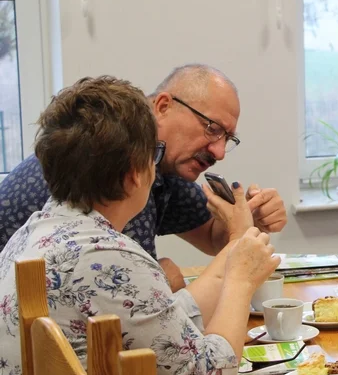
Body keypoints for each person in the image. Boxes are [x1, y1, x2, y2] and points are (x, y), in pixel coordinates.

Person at [0, 76, 279, 375]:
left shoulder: (40, 228)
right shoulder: (108, 256)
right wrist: (240, 283)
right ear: (136, 173)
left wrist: (237, 251)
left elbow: (153, 315)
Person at [0, 64, 288, 290]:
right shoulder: (112, 166)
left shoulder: (165, 163)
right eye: (212, 128)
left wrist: (250, 221)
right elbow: (127, 295)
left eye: (228, 138)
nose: (220, 151)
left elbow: (212, 236)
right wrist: (157, 283)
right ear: (162, 107)